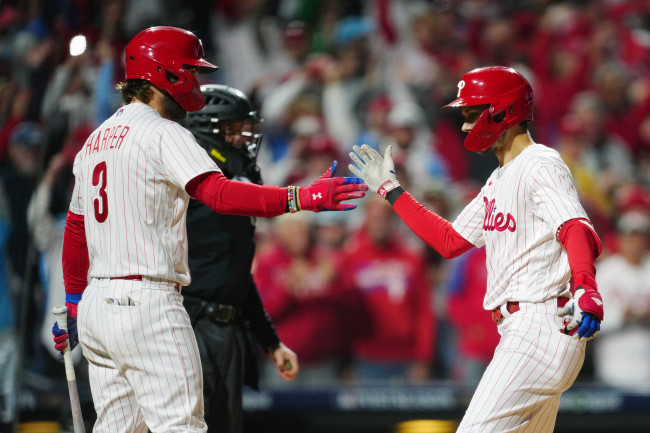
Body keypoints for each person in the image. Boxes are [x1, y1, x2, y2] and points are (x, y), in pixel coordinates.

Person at [50, 26, 366, 433]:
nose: (195, 82)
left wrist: (74, 302)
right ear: (167, 74)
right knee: (183, 427)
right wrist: (302, 198)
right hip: (147, 304)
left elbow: (76, 229)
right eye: (191, 72)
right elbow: (217, 193)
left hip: (98, 306)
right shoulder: (164, 131)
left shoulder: (94, 141)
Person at [349, 66, 604, 432]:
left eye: (472, 113)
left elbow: (575, 227)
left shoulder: (540, 163)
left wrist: (586, 286)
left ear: (504, 111)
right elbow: (450, 241)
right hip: (529, 329)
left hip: (537, 325)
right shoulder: (499, 178)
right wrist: (391, 191)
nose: (466, 125)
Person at [180, 83, 299, 432]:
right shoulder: (189, 181)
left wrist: (270, 341)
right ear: (207, 129)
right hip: (186, 323)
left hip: (225, 328)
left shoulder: (233, 180)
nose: (245, 136)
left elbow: (235, 275)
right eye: (234, 128)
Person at [593, 210, 650, 390]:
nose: (634, 243)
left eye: (639, 238)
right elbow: (591, 322)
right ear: (619, 239)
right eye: (629, 237)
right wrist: (623, 315)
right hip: (614, 367)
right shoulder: (606, 271)